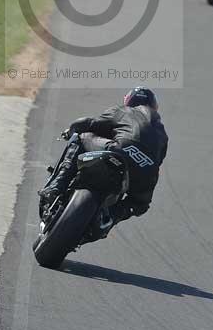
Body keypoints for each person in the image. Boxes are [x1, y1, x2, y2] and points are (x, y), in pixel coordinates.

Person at [39, 87, 168, 234]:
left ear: (129, 101)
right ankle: (109, 218)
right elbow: (158, 162)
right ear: (154, 105)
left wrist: (71, 130)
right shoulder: (162, 133)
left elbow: (89, 123)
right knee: (139, 204)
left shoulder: (124, 111)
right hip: (146, 171)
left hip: (119, 150)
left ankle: (56, 187)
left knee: (81, 137)